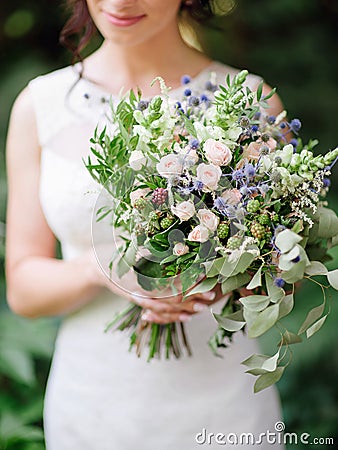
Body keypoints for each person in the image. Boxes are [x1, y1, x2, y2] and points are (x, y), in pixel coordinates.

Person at [6, 1, 286, 448]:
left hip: (223, 408)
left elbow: (280, 276)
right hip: (93, 406)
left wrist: (213, 275)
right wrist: (102, 270)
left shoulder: (250, 100)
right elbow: (23, 290)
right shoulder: (40, 105)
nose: (120, 3)